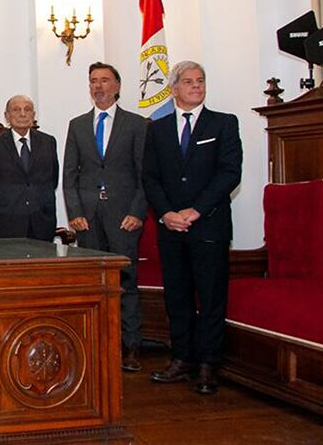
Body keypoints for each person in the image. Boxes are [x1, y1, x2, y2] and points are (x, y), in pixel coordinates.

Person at [142, 61, 242, 395]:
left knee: (211, 296)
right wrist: (168, 213)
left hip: (208, 225)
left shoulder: (224, 124)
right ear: (174, 89)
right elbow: (150, 178)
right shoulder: (157, 129)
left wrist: (196, 210)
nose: (196, 86)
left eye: (200, 81)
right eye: (188, 82)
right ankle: (182, 357)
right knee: (178, 296)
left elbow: (230, 173)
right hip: (170, 227)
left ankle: (208, 364)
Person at [63, 62, 148, 372]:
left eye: (104, 80)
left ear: (117, 86)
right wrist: (75, 213)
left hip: (123, 215)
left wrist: (137, 212)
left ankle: (130, 346)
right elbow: (69, 174)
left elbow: (144, 175)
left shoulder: (137, 125)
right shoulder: (77, 125)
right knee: (94, 282)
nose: (98, 86)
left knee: (126, 280)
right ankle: (97, 344)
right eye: (93, 81)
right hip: (88, 217)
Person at [0, 95, 58, 241]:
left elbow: (53, 179)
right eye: (16, 110)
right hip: (7, 222)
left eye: (27, 110)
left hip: (42, 221)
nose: (22, 114)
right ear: (7, 116)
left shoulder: (48, 142)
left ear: (33, 115)